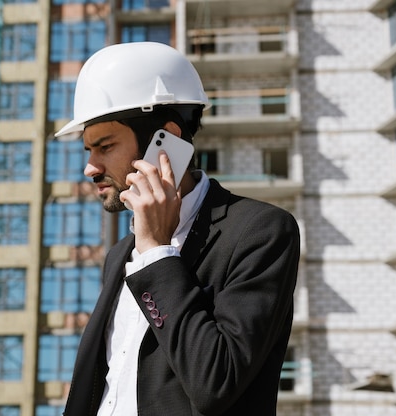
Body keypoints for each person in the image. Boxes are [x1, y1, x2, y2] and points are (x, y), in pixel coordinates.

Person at [54, 42, 300, 416]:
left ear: (164, 141)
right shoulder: (120, 255)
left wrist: (156, 254)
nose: (90, 167)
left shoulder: (260, 232)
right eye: (88, 150)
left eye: (104, 146)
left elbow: (215, 382)